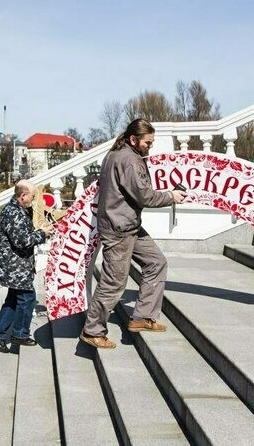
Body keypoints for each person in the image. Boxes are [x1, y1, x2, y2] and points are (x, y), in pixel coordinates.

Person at [81, 119, 186, 350]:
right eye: (148, 142)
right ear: (133, 139)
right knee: (114, 282)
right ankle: (93, 330)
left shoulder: (117, 153)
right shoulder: (129, 160)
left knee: (156, 262)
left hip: (127, 225)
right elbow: (144, 196)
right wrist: (171, 196)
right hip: (119, 229)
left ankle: (142, 317)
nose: (151, 146)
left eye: (152, 142)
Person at [0, 180, 53, 352]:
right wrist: (42, 234)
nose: (34, 198)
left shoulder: (17, 209)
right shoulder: (14, 213)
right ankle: (20, 334)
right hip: (14, 266)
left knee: (13, 299)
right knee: (27, 297)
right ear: (22, 196)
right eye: (32, 195)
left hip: (15, 264)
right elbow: (22, 241)